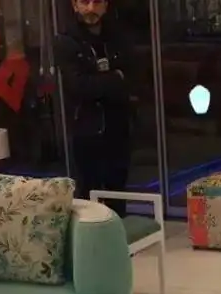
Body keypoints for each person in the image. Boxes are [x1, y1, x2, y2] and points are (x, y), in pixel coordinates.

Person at [56, 0, 133, 216]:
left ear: (106, 5)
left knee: (118, 193)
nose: (90, 8)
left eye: (97, 2)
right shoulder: (66, 40)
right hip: (86, 129)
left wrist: (100, 81)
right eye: (84, 2)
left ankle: (118, 234)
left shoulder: (118, 37)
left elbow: (134, 75)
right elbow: (79, 86)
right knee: (89, 197)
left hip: (118, 126)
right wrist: (114, 78)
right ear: (74, 5)